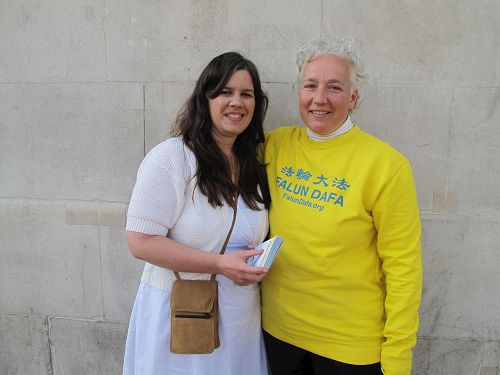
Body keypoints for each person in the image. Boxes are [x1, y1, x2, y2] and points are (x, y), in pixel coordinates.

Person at [261, 38, 422, 375]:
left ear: (353, 97)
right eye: (310, 85)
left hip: (350, 347)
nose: (319, 98)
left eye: (334, 87)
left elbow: (403, 269)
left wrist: (397, 358)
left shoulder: (386, 165)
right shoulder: (274, 147)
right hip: (277, 335)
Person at [122, 52, 271, 375]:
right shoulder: (172, 158)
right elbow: (140, 241)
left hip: (240, 321)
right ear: (205, 98)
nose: (237, 102)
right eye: (225, 92)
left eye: (246, 94)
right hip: (180, 318)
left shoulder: (253, 165)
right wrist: (219, 264)